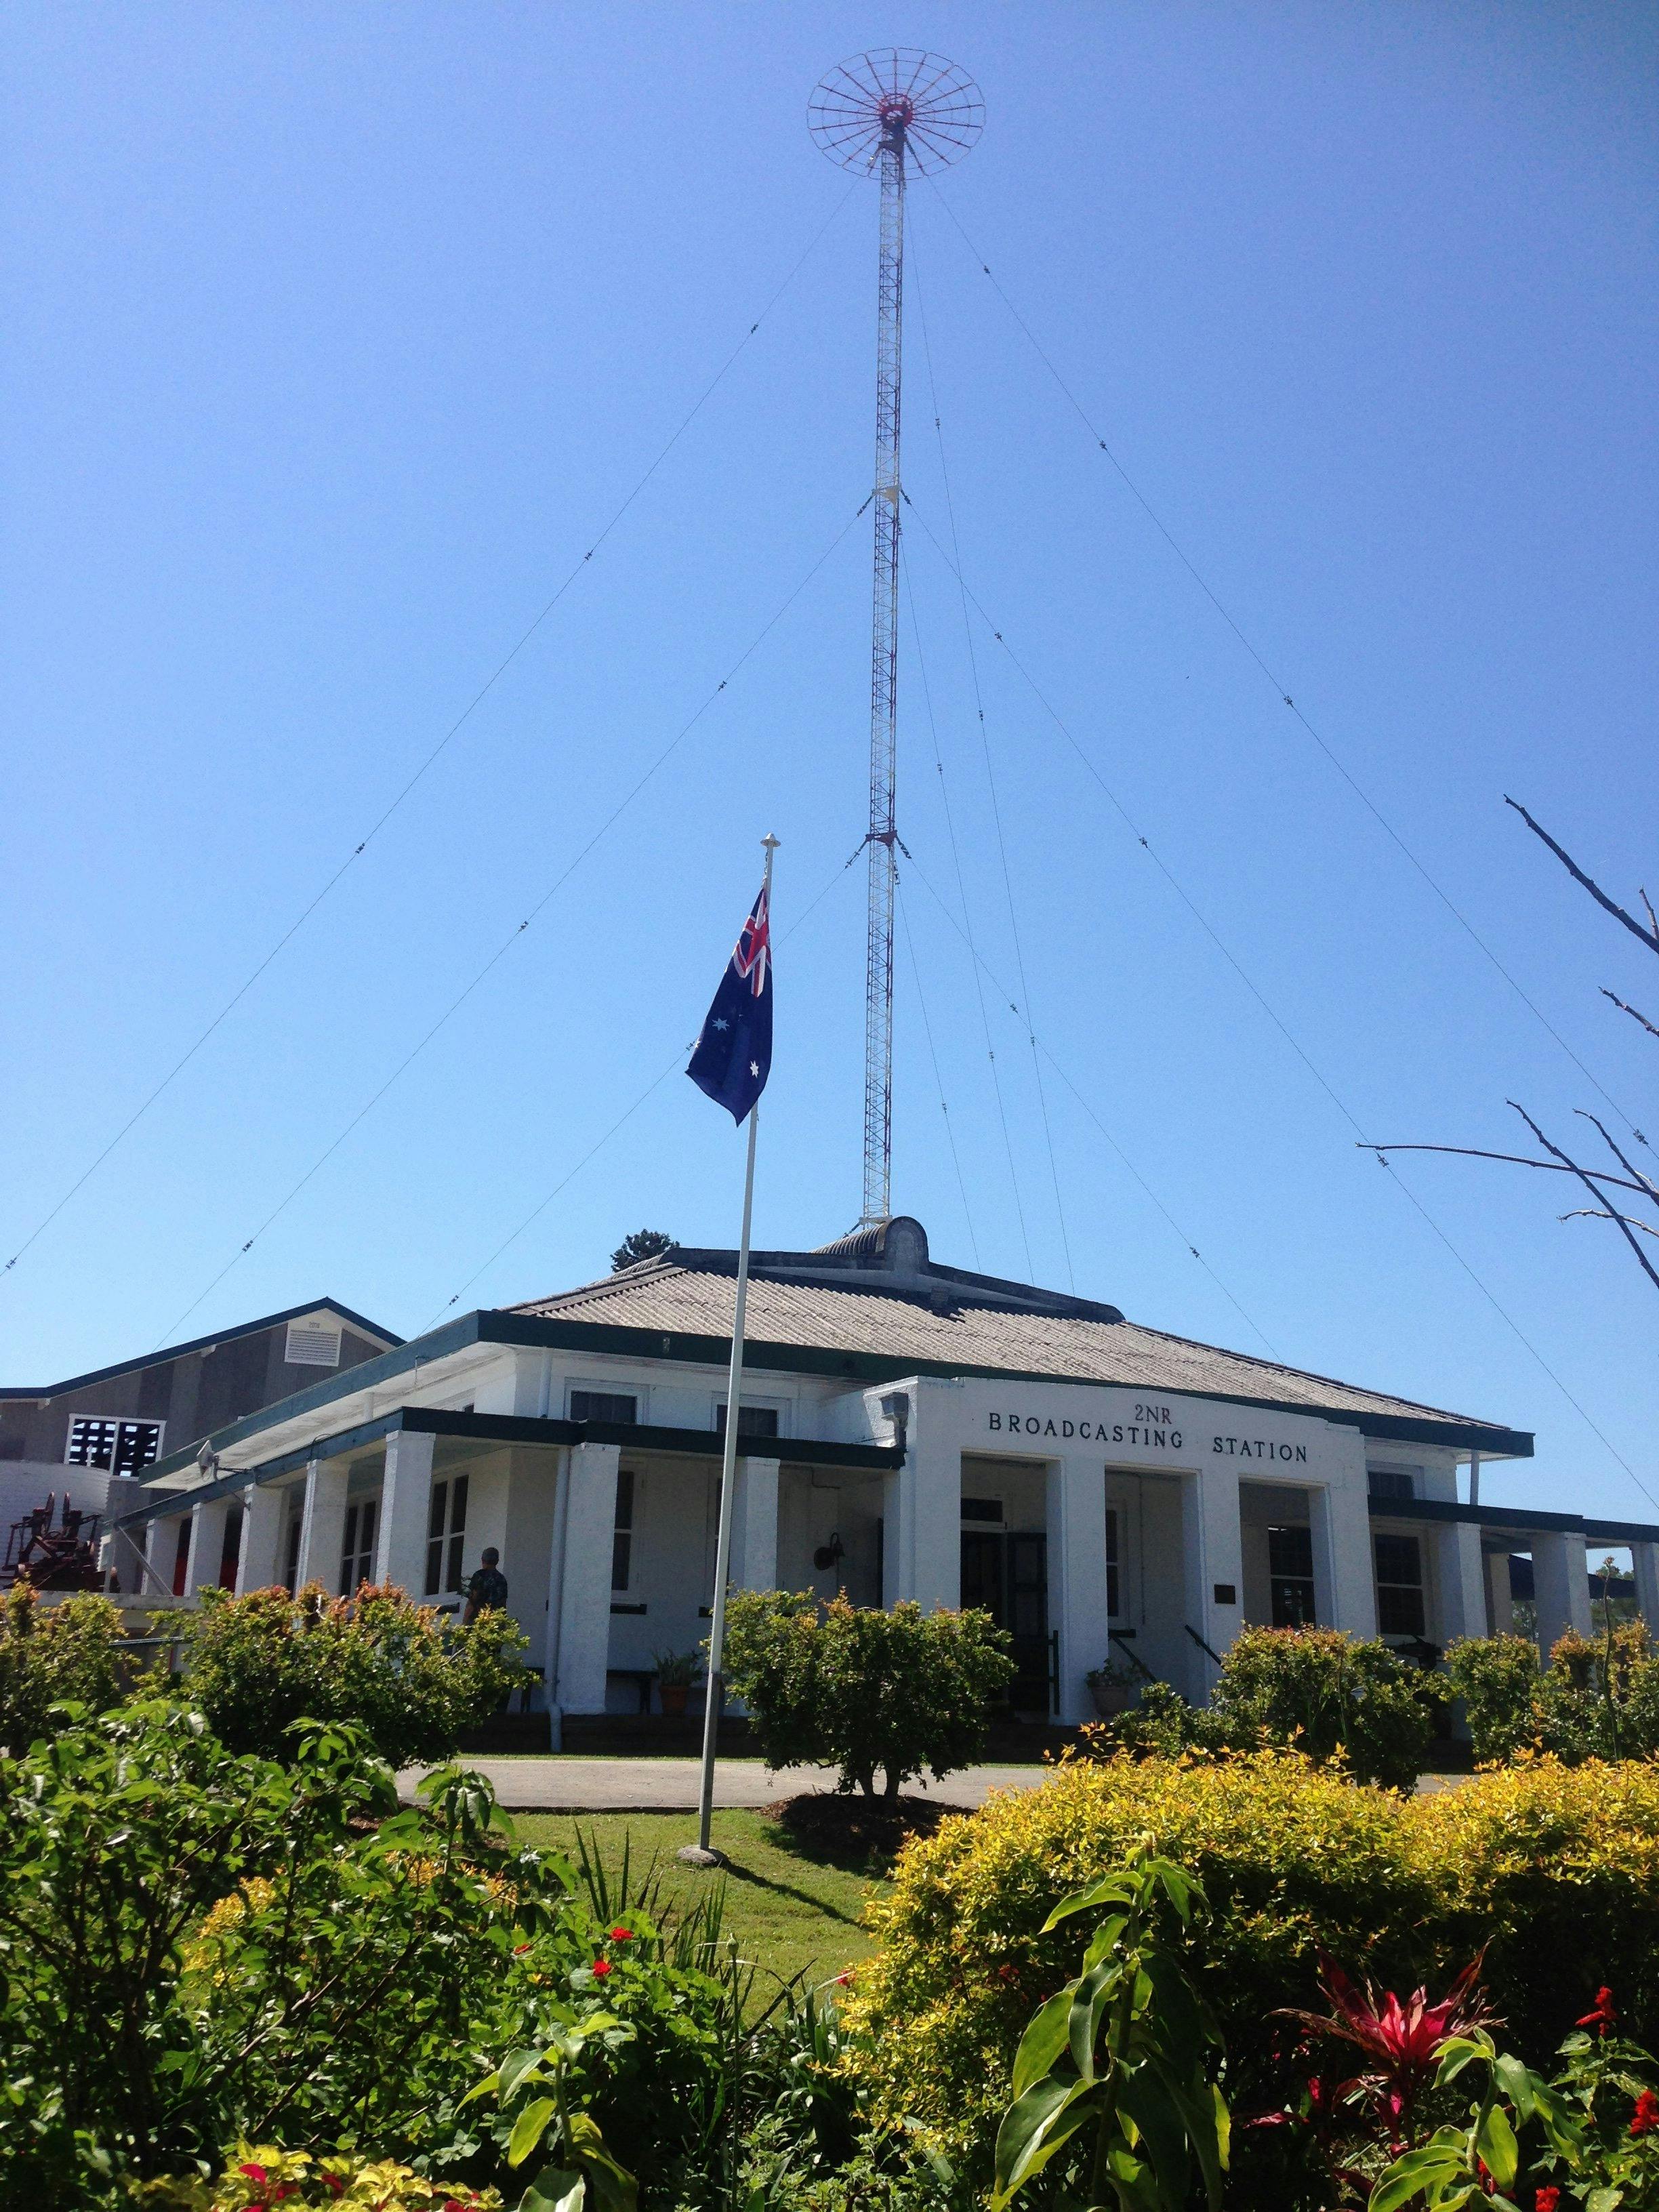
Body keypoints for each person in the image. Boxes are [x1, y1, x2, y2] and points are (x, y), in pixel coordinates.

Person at [463, 1546, 509, 1624]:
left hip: (479, 1621)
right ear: (497, 1561)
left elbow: (472, 1601)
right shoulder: (502, 1579)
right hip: (496, 1621)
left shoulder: (479, 1575)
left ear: (483, 1560)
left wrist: (464, 1622)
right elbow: (503, 1603)